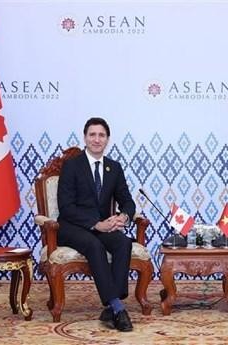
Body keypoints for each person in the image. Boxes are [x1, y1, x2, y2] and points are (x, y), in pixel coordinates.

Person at [57, 117, 136, 332]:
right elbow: (66, 207)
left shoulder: (114, 167)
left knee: (123, 242)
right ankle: (118, 308)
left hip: (102, 226)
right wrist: (95, 224)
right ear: (85, 137)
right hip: (71, 226)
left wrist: (123, 217)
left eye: (101, 135)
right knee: (94, 245)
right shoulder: (72, 166)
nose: (96, 139)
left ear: (107, 139)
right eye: (92, 134)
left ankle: (111, 307)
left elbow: (127, 201)